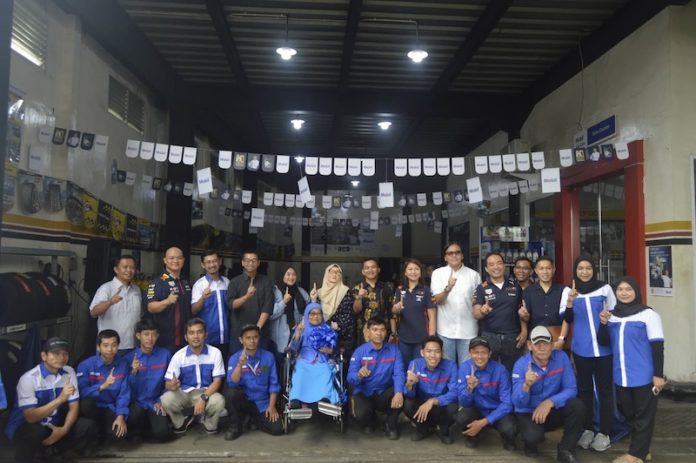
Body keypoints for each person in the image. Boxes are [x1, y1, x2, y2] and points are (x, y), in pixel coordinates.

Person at [597, 277, 666, 463]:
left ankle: (634, 456)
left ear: (636, 291)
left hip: (643, 376)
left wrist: (658, 375)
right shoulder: (612, 315)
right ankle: (642, 450)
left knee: (643, 416)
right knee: (629, 415)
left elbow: (657, 346)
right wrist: (603, 323)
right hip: (621, 375)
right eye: (620, 289)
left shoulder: (649, 315)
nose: (624, 293)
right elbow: (603, 341)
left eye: (629, 289)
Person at [4, 338, 97, 462]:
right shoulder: (29, 378)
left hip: (54, 423)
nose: (61, 357)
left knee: (87, 426)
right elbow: (30, 417)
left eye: (65, 353)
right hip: (25, 426)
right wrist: (60, 399)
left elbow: (73, 407)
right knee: (35, 432)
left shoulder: (69, 372)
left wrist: (63, 430)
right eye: (56, 353)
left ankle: (51, 451)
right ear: (44, 356)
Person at [565, 255, 617, 452]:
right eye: (580, 268)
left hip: (604, 349)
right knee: (585, 391)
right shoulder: (570, 291)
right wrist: (570, 301)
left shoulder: (605, 289)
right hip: (581, 349)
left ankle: (604, 432)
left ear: (594, 270)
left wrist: (607, 318)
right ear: (575, 271)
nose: (584, 272)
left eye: (588, 268)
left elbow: (615, 313)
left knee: (605, 391)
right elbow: (568, 318)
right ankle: (587, 429)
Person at [512, 326, 585, 463]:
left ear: (552, 345)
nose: (542, 348)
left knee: (577, 406)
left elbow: (571, 389)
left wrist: (550, 402)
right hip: (529, 412)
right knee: (533, 437)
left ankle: (566, 449)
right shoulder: (521, 365)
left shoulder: (561, 357)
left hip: (551, 409)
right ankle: (529, 442)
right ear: (529, 346)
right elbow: (517, 402)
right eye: (537, 344)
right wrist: (526, 385)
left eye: (545, 343)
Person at [160, 318, 226, 434]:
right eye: (191, 333)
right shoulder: (178, 356)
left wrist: (203, 398)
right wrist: (172, 385)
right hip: (185, 394)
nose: (196, 336)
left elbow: (217, 382)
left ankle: (208, 422)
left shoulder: (215, 353)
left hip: (206, 392)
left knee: (219, 401)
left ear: (205, 335)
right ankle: (182, 421)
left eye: (199, 332)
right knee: (166, 399)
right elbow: (167, 383)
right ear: (186, 337)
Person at [454, 336, 516, 450]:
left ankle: (506, 439)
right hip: (477, 409)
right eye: (476, 352)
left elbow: (507, 403)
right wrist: (469, 389)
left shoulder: (500, 370)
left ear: (490, 353)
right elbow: (463, 403)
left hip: (496, 409)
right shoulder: (464, 368)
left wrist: (484, 422)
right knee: (461, 418)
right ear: (469, 353)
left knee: (510, 429)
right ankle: (472, 435)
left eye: (483, 352)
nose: (480, 356)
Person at [348, 317, 405, 440]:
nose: (379, 333)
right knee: (362, 414)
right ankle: (371, 421)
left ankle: (390, 424)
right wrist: (359, 375)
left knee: (403, 390)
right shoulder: (359, 352)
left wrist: (399, 392)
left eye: (382, 330)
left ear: (386, 332)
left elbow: (399, 373)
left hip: (384, 393)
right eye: (375, 330)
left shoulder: (394, 350)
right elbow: (350, 378)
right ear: (368, 332)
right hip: (365, 393)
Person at [224, 324, 283, 440]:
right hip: (244, 400)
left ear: (259, 338)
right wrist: (239, 365)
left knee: (277, 429)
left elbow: (274, 384)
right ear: (241, 340)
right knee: (231, 393)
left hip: (262, 402)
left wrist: (272, 406)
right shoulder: (235, 358)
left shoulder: (268, 357)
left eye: (255, 337)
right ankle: (235, 427)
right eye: (248, 338)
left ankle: (255, 419)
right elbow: (232, 383)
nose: (252, 341)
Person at [473, 252, 526, 373]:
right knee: (488, 372)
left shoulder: (515, 286)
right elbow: (476, 314)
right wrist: (482, 311)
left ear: (504, 266)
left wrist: (524, 331)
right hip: (489, 336)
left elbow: (521, 311)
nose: (496, 267)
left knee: (511, 371)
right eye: (491, 265)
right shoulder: (482, 288)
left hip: (511, 337)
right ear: (486, 269)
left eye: (499, 263)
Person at [430, 242, 481, 365]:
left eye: (457, 252)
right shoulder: (437, 273)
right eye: (450, 253)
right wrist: (448, 288)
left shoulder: (474, 275)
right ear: (445, 257)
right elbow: (436, 300)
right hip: (445, 329)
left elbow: (478, 301)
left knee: (467, 367)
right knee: (447, 368)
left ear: (462, 255)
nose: (454, 255)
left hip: (468, 329)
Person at [123, 318, 173, 442]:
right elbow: (124, 389)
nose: (150, 338)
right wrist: (133, 372)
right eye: (146, 334)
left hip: (155, 402)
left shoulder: (165, 355)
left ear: (158, 336)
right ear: (138, 336)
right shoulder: (128, 358)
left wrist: (161, 400)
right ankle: (136, 431)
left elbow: (169, 382)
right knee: (135, 416)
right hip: (136, 403)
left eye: (153, 334)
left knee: (162, 433)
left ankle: (149, 430)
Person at [76, 329, 130, 441]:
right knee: (86, 404)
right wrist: (102, 386)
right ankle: (93, 432)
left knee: (119, 435)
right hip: (93, 407)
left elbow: (124, 394)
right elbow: (81, 392)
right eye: (105, 345)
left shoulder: (123, 364)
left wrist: (120, 416)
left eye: (114, 345)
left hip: (111, 407)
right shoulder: (85, 365)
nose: (110, 349)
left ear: (118, 346)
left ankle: (103, 433)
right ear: (98, 347)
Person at [403, 336, 459, 444]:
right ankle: (423, 429)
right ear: (422, 352)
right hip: (421, 405)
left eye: (437, 351)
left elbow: (455, 392)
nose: (433, 355)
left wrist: (433, 401)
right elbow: (409, 395)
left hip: (440, 405)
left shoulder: (451, 366)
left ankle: (443, 430)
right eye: (429, 351)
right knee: (407, 404)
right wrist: (409, 385)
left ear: (442, 353)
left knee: (453, 406)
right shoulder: (415, 365)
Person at [288, 303, 341, 406]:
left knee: (325, 371)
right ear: (307, 315)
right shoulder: (302, 329)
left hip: (322, 360)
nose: (315, 316)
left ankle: (325, 397)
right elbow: (293, 348)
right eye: (312, 314)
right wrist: (297, 334)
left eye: (318, 314)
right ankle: (296, 398)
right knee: (300, 372)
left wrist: (329, 351)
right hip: (304, 360)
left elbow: (335, 350)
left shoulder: (328, 329)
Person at [89, 255, 142, 355]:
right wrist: (110, 302)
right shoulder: (106, 288)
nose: (129, 270)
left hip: (133, 345)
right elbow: (93, 312)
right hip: (110, 347)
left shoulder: (137, 290)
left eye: (132, 267)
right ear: (116, 269)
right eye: (125, 267)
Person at [226, 250, 274, 354]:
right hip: (238, 334)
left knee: (261, 362)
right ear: (242, 263)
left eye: (254, 260)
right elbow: (231, 304)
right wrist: (246, 297)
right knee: (238, 362)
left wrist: (256, 329)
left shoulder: (266, 282)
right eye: (247, 260)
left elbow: (267, 307)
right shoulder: (234, 282)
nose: (251, 263)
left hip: (260, 334)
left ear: (258, 263)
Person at [519, 256, 571, 350]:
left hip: (557, 338)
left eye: (548, 268)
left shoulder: (563, 290)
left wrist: (561, 339)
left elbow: (566, 318)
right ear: (536, 271)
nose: (545, 272)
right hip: (535, 339)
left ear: (554, 269)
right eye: (541, 268)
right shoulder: (528, 292)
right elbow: (526, 318)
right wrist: (524, 316)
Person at [146, 246, 192, 352]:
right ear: (165, 260)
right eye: (171, 258)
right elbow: (151, 307)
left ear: (183, 260)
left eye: (179, 258)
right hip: (165, 342)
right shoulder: (158, 282)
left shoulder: (185, 282)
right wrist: (167, 301)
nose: (175, 261)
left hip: (185, 340)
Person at [391, 258, 436, 365]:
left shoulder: (426, 290)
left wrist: (431, 338)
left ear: (420, 272)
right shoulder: (399, 290)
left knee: (419, 367)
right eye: (410, 269)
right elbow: (393, 312)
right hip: (403, 338)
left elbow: (432, 316)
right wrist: (396, 308)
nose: (413, 272)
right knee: (404, 367)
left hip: (422, 338)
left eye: (416, 269)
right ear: (405, 273)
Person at [191, 250, 231, 359]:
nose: (212, 265)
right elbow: (194, 310)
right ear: (203, 265)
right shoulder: (199, 284)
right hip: (207, 336)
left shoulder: (227, 283)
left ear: (220, 262)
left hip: (226, 336)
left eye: (214, 261)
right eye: (208, 262)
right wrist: (203, 298)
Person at [313, 264, 356, 354]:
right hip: (320, 334)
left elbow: (347, 314)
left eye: (337, 272)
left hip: (340, 335)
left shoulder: (345, 291)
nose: (334, 274)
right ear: (327, 273)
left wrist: (336, 326)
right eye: (332, 271)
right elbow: (314, 312)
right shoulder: (319, 293)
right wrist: (313, 300)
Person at [270, 266, 309, 354]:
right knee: (280, 358)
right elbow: (270, 314)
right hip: (279, 336)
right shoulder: (275, 291)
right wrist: (284, 302)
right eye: (288, 274)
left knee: (296, 358)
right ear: (282, 275)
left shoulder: (301, 292)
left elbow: (309, 311)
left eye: (293, 274)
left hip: (298, 333)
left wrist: (303, 322)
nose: (291, 277)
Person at [352, 258, 394, 341]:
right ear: (363, 271)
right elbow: (356, 311)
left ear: (378, 270)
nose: (370, 270)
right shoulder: (357, 288)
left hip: (383, 332)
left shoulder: (387, 287)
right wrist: (359, 297)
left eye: (373, 267)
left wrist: (393, 332)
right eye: (367, 268)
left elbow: (391, 312)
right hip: (364, 333)